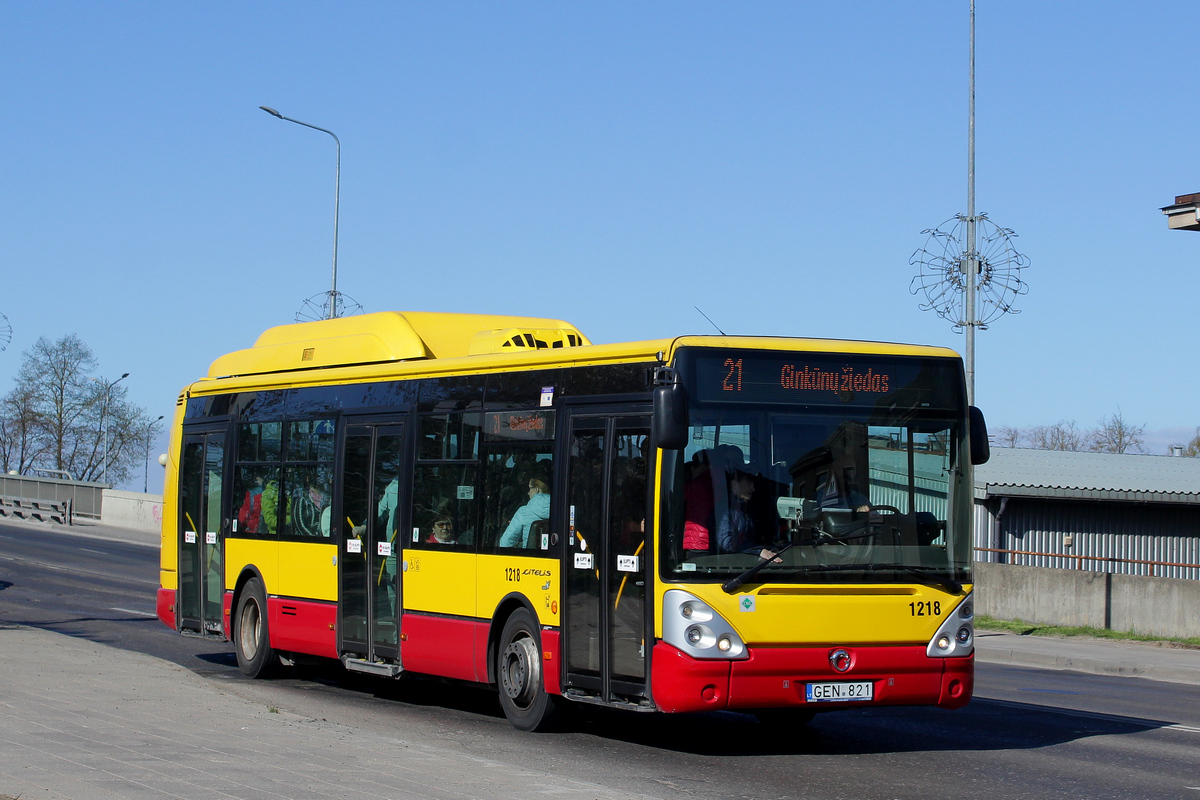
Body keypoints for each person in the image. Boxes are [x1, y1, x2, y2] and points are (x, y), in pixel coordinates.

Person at [498, 477, 550, 548]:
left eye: (529, 488)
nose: (528, 493)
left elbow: (506, 542)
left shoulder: (523, 512)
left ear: (537, 489)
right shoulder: (562, 511)